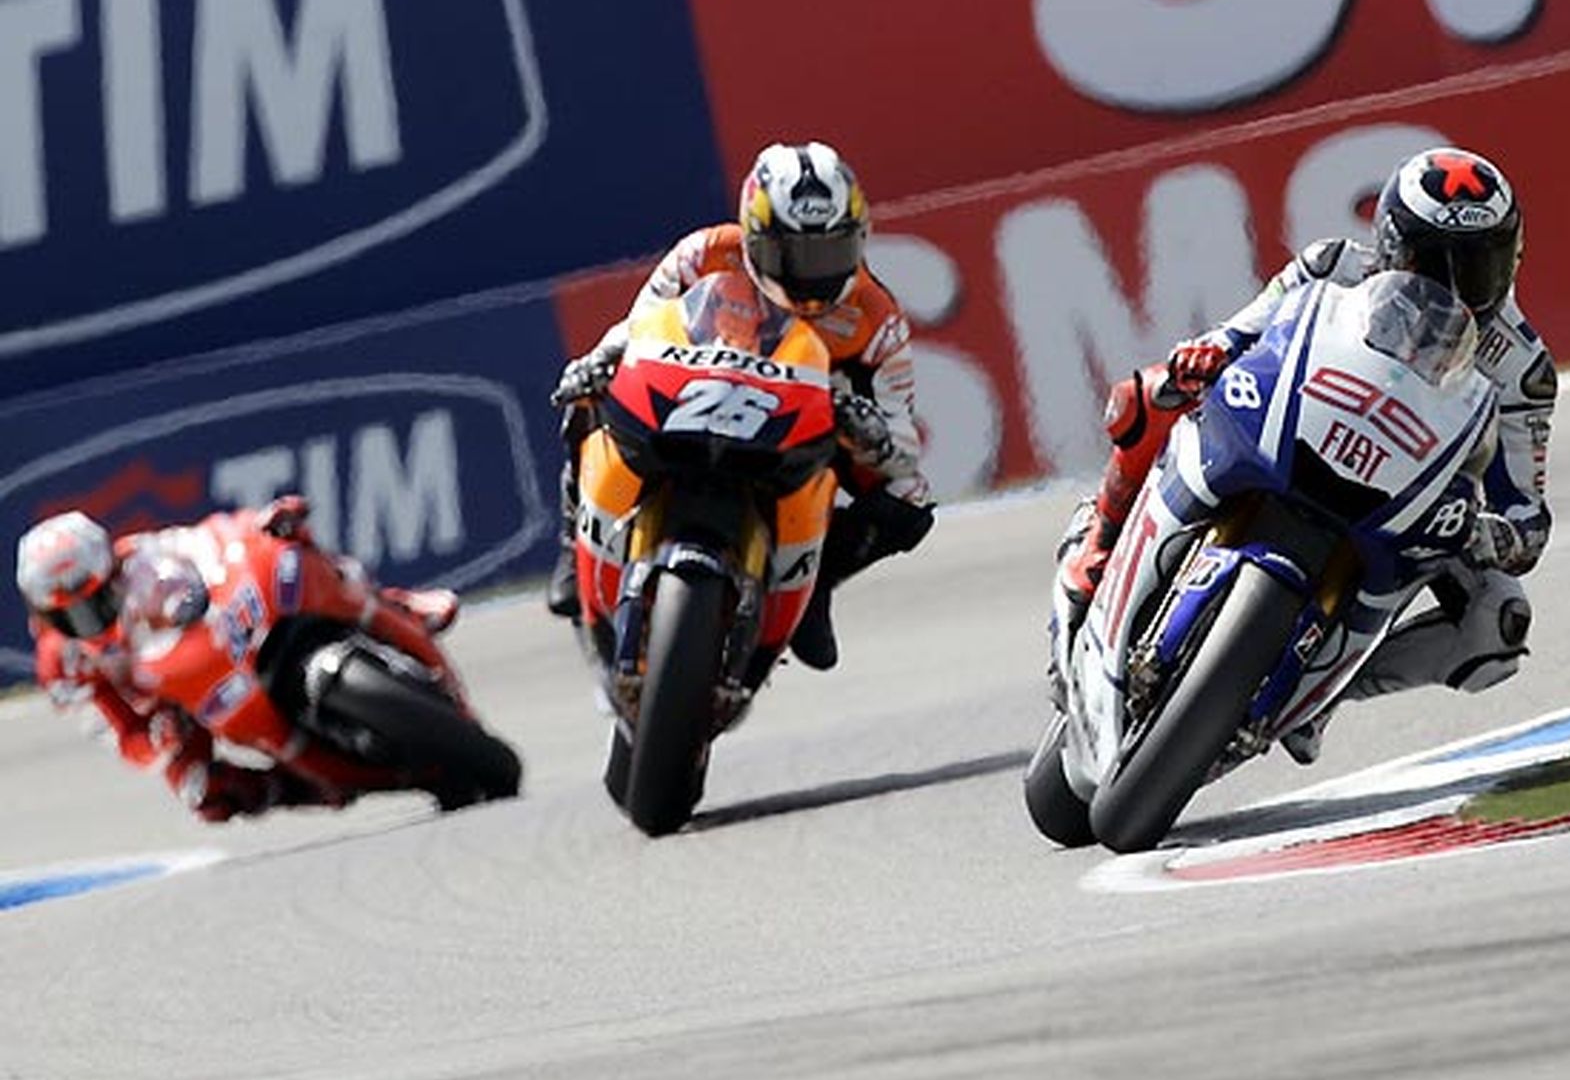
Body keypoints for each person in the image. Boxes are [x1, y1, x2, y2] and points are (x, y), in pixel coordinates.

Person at [1054, 146, 1556, 762]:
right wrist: (1204, 359)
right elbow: (1239, 335)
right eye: (1432, 262)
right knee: (1151, 393)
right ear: (1393, 246)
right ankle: (1099, 545)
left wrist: (1496, 537)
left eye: (1477, 266)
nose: (1453, 286)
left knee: (1499, 621)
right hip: (1299, 433)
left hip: (1411, 504)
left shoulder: (1522, 367)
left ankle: (1323, 696)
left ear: (1512, 260)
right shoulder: (1331, 268)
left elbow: (1528, 517)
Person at [546, 140, 935, 671]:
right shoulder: (702, 254)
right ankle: (574, 540)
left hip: (805, 431)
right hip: (690, 398)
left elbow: (902, 446)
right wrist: (599, 361)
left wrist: (870, 432)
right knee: (589, 390)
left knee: (910, 502)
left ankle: (815, 584)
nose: (810, 278)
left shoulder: (876, 317)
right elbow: (636, 332)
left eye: (828, 254)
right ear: (755, 239)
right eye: (791, 255)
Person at [15, 498, 462, 823]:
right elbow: (120, 733)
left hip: (207, 642)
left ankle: (394, 603)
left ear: (111, 569)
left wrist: (259, 524)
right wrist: (158, 739)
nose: (87, 618)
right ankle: (300, 788)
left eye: (93, 600)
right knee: (203, 795)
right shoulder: (62, 667)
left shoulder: (144, 558)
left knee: (291, 545)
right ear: (44, 614)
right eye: (69, 614)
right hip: (168, 706)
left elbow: (214, 538)